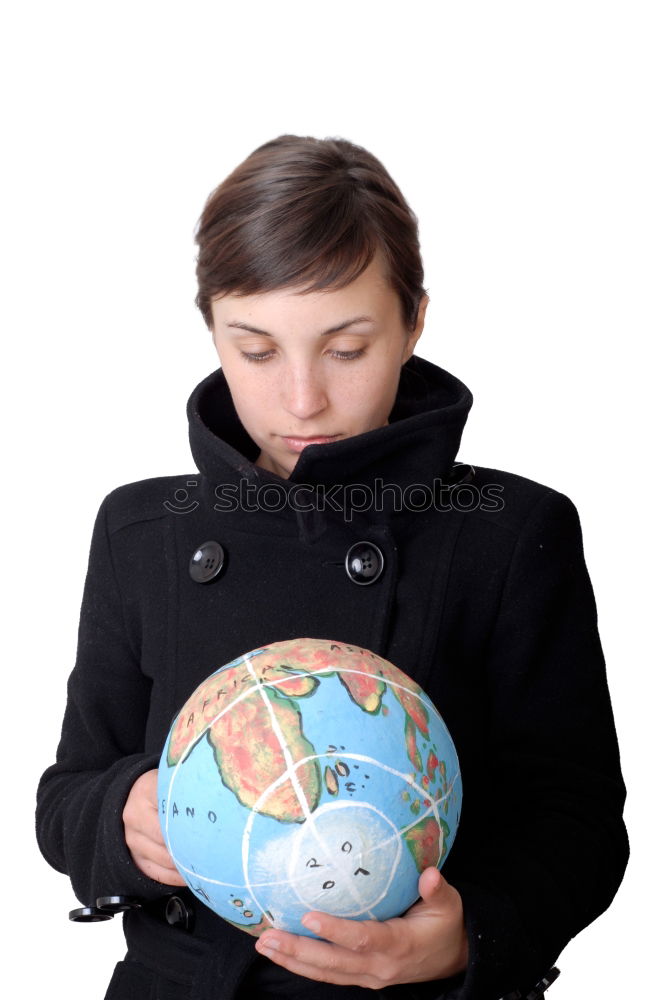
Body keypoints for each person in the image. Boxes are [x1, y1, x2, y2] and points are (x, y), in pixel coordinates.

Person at [35, 134, 629, 1000]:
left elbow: (577, 824)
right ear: (211, 329)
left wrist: (466, 938)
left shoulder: (508, 533)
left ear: (412, 320)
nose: (303, 398)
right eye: (256, 349)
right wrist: (121, 816)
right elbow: (66, 796)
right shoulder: (142, 529)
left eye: (346, 349)